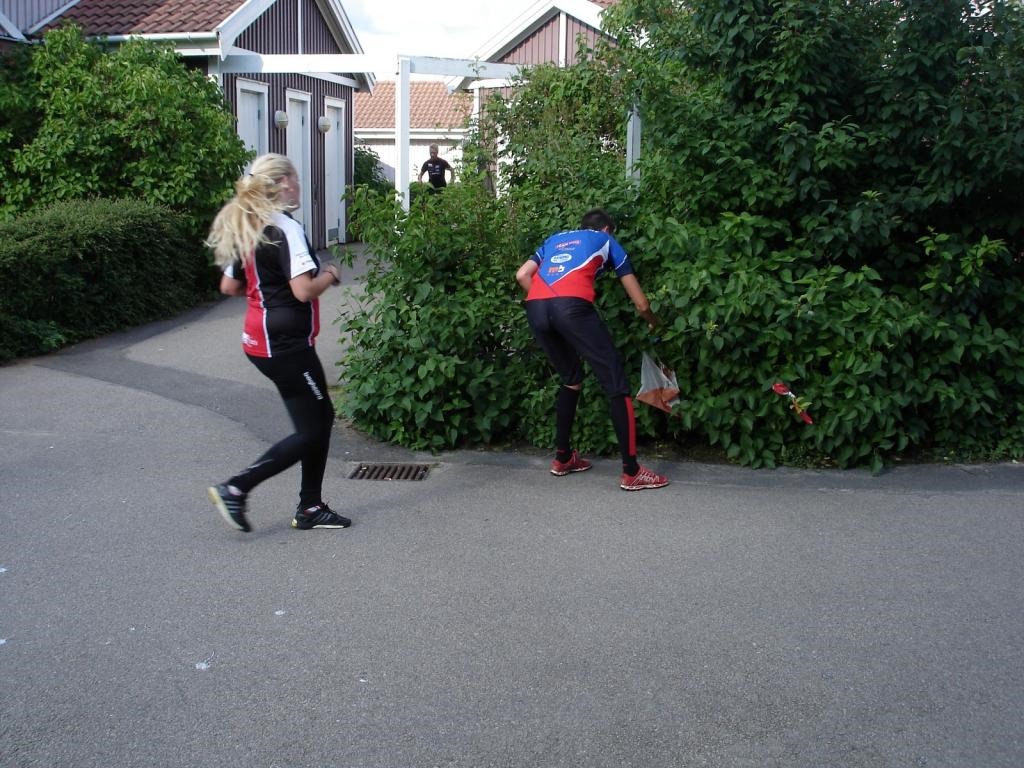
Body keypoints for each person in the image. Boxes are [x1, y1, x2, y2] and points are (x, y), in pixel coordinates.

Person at [204, 153, 351, 532]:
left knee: (318, 419)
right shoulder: (285, 228)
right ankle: (237, 488)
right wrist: (330, 273)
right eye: (296, 178)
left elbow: (229, 285)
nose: (299, 186)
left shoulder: (250, 224)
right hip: (284, 345)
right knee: (313, 428)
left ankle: (311, 507)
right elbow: (303, 290)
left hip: (261, 341)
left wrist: (266, 295)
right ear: (284, 182)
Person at [515, 208, 670, 491]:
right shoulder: (607, 241)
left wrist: (549, 303)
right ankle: (632, 472)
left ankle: (563, 458)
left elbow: (522, 274)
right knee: (616, 383)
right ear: (607, 229)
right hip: (571, 307)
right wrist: (654, 323)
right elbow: (641, 303)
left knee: (571, 378)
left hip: (536, 306)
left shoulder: (555, 239)